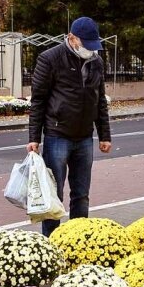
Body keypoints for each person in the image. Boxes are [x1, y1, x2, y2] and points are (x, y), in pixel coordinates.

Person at [27, 17, 112, 236]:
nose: (90, 51)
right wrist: (34, 137)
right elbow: (38, 100)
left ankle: (78, 239)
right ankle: (51, 241)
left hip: (84, 137)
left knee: (81, 194)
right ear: (72, 38)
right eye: (86, 45)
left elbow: (99, 100)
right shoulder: (50, 59)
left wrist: (104, 135)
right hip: (58, 135)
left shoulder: (96, 62)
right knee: (53, 195)